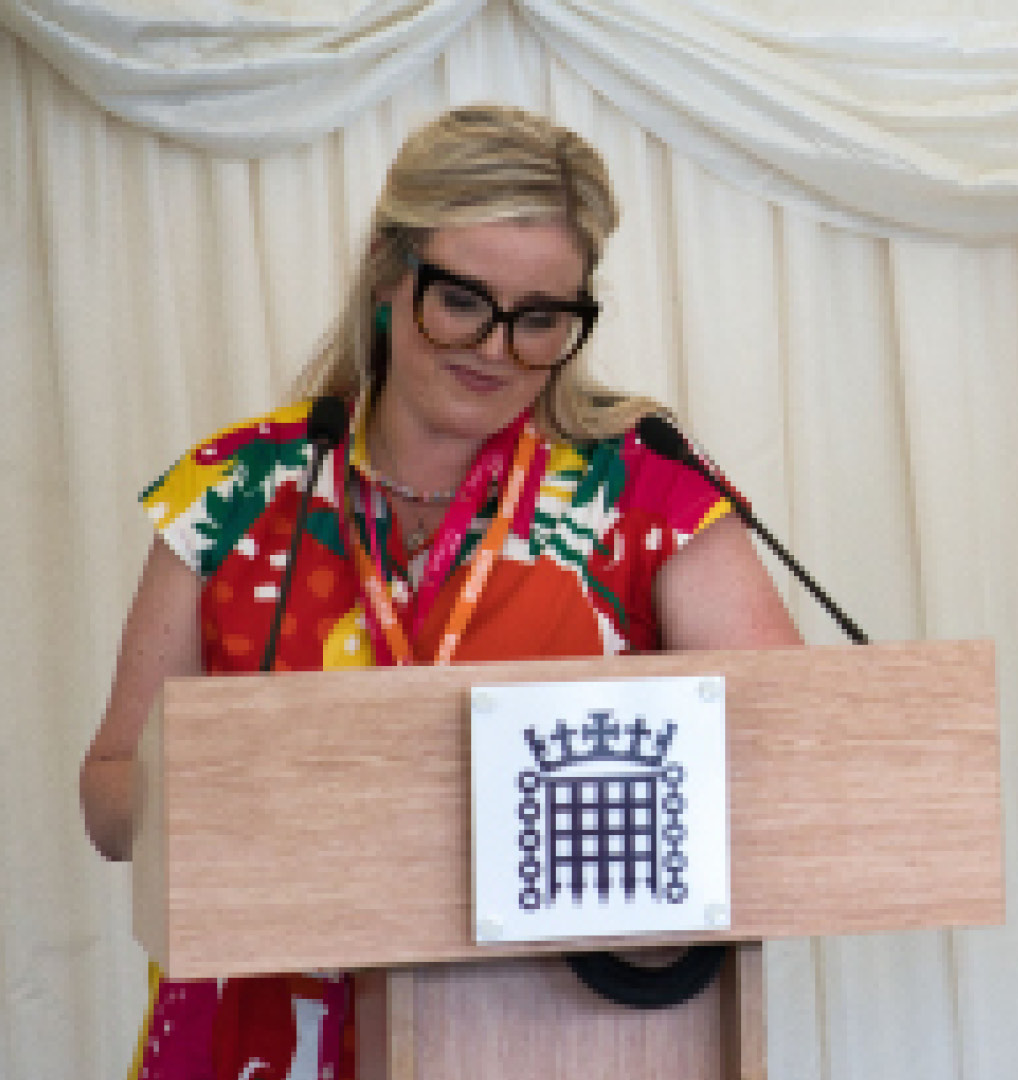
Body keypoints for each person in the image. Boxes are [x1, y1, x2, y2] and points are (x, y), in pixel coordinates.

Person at [79, 104, 802, 1078]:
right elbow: (108, 796)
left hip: (548, 1035)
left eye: (540, 319)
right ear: (388, 273)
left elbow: (786, 763)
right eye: (462, 301)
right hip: (264, 1032)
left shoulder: (647, 492)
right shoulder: (236, 490)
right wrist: (266, 789)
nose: (496, 349)